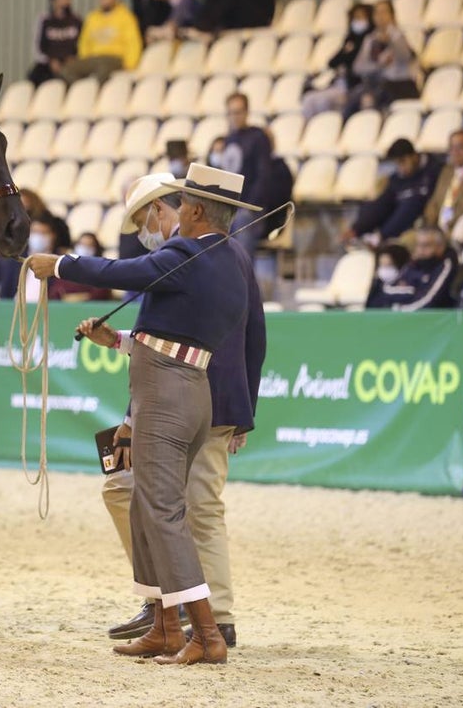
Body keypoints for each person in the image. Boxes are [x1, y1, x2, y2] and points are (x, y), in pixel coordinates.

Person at [27, 164, 260, 666]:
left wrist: (61, 265)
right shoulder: (227, 262)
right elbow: (178, 332)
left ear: (194, 210)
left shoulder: (186, 255)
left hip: (166, 396)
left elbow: (120, 272)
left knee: (162, 510)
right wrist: (120, 340)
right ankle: (163, 625)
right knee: (142, 506)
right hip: (187, 386)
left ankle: (205, 633)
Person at [101, 174, 266, 650]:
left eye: (140, 219)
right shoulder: (221, 255)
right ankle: (169, 603)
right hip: (182, 398)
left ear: (166, 209)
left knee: (192, 508)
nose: (140, 231)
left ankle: (211, 617)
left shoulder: (188, 257)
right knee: (135, 494)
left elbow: (250, 335)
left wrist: (242, 411)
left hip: (192, 400)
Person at [0, 189, 69, 299]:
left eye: (43, 233)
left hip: (18, 254)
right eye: (35, 232)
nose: (22, 206)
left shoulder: (51, 221)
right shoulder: (11, 219)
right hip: (14, 257)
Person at [342, 139, 440, 246]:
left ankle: (380, 238)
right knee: (371, 205)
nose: (401, 167)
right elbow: (382, 204)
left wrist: (383, 235)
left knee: (411, 203)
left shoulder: (434, 171)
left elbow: (413, 207)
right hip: (394, 226)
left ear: (414, 156)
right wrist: (357, 228)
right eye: (397, 163)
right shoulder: (397, 178)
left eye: (403, 161)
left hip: (419, 224)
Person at [345, 0, 419, 118]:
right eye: (377, 13)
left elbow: (404, 57)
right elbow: (358, 67)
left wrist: (392, 38)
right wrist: (379, 65)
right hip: (378, 84)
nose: (381, 16)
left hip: (400, 85)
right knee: (353, 98)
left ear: (392, 15)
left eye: (384, 12)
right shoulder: (370, 39)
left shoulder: (399, 36)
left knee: (371, 97)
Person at [220, 93, 274, 257]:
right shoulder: (229, 139)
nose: (235, 117)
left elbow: (264, 175)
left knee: (242, 220)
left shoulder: (257, 137)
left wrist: (249, 206)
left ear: (247, 112)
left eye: (238, 112)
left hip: (251, 210)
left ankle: (243, 279)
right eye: (231, 113)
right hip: (231, 209)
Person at [301, 2, 374, 119]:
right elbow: (332, 62)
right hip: (338, 84)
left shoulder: (370, 40)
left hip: (353, 88)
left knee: (322, 101)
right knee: (308, 99)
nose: (357, 21)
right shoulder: (350, 39)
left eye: (361, 17)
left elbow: (358, 67)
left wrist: (348, 54)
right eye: (355, 18)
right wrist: (346, 53)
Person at [61, 0, 142, 84]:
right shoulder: (92, 17)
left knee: (102, 70)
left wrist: (130, 64)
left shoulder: (126, 17)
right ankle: (84, 91)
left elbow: (133, 42)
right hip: (93, 57)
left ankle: (94, 93)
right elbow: (84, 42)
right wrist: (84, 58)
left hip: (114, 57)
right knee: (66, 71)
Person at [366, 227, 456, 310]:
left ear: (440, 247)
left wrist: (398, 309)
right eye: (418, 245)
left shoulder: (445, 264)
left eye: (426, 245)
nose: (420, 250)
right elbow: (385, 291)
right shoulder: (413, 263)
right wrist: (410, 292)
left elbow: (429, 301)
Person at [27, 0, 82, 87]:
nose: (66, 0)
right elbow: (37, 47)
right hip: (47, 64)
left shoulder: (76, 20)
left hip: (70, 63)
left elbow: (82, 43)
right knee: (34, 77)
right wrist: (50, 60)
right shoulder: (44, 20)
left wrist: (73, 58)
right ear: (54, 0)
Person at [50, 233, 113, 301]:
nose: (85, 248)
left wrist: (83, 297)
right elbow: (55, 291)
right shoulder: (66, 269)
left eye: (89, 246)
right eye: (82, 244)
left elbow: (102, 293)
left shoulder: (102, 271)